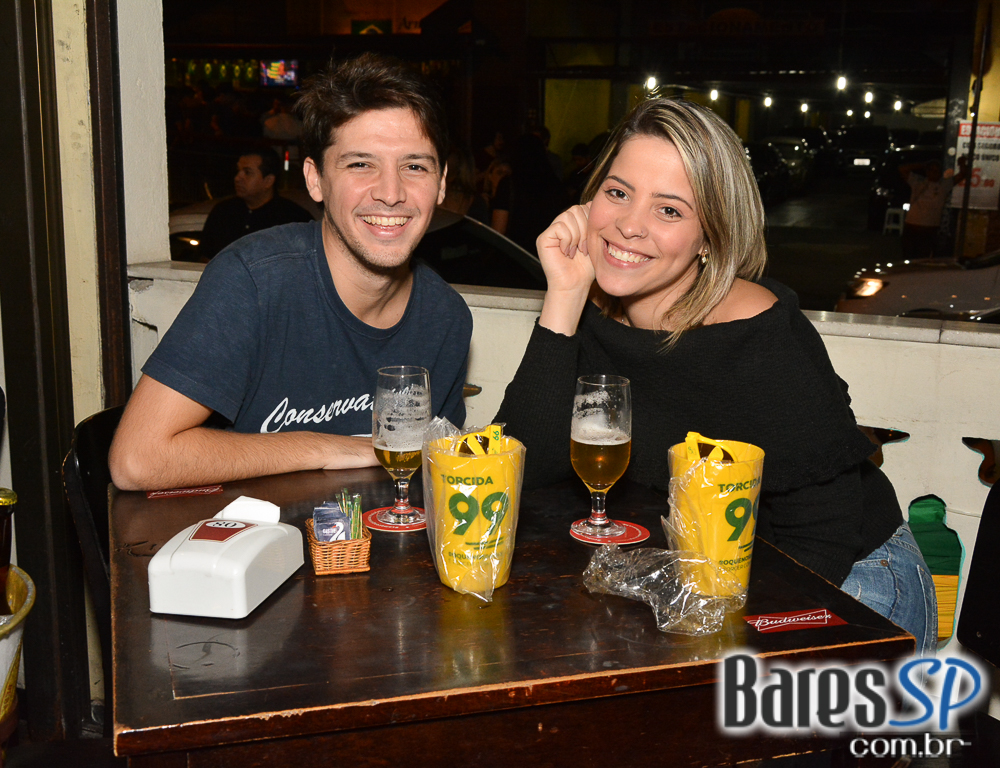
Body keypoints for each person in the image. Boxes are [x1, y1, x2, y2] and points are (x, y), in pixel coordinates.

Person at [494, 98, 936, 656]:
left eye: (669, 210)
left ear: (710, 236)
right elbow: (521, 469)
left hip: (853, 582)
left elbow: (822, 535)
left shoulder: (757, 335)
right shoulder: (594, 310)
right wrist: (563, 294)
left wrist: (732, 649)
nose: (629, 225)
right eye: (618, 192)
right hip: (710, 573)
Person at [110, 53, 473, 491]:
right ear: (315, 179)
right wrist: (327, 448)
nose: (391, 193)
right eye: (361, 164)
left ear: (441, 183)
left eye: (414, 166)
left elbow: (435, 480)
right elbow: (137, 459)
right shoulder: (254, 280)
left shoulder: (446, 318)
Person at [199, 148, 314, 260]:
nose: (237, 178)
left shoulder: (293, 219)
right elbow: (204, 258)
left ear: (268, 181)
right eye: (238, 171)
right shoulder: (223, 212)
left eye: (247, 172)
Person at [899, 156, 968, 261]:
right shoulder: (918, 181)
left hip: (929, 229)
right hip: (912, 226)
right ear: (927, 172)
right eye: (931, 170)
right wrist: (922, 165)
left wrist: (962, 164)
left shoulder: (944, 185)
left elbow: (962, 174)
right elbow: (902, 169)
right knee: (908, 257)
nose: (934, 173)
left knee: (923, 258)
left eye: (937, 171)